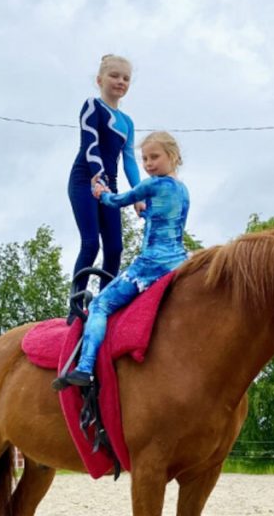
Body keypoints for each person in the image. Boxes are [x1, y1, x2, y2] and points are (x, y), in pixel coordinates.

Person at [53, 131, 189, 390]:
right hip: (178, 261)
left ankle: (85, 367)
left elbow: (117, 201)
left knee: (100, 305)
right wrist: (146, 213)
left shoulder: (153, 185)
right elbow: (164, 221)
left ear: (173, 156)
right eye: (145, 159)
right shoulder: (182, 191)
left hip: (151, 266)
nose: (148, 164)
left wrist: (100, 191)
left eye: (155, 157)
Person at [68, 54, 141, 297]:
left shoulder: (127, 122)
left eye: (126, 78)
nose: (121, 81)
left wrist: (139, 195)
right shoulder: (92, 106)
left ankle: (105, 304)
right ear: (99, 80)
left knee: (115, 248)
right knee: (91, 243)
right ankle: (76, 303)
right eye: (114, 76)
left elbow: (129, 161)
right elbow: (91, 145)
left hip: (109, 186)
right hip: (85, 180)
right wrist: (98, 176)